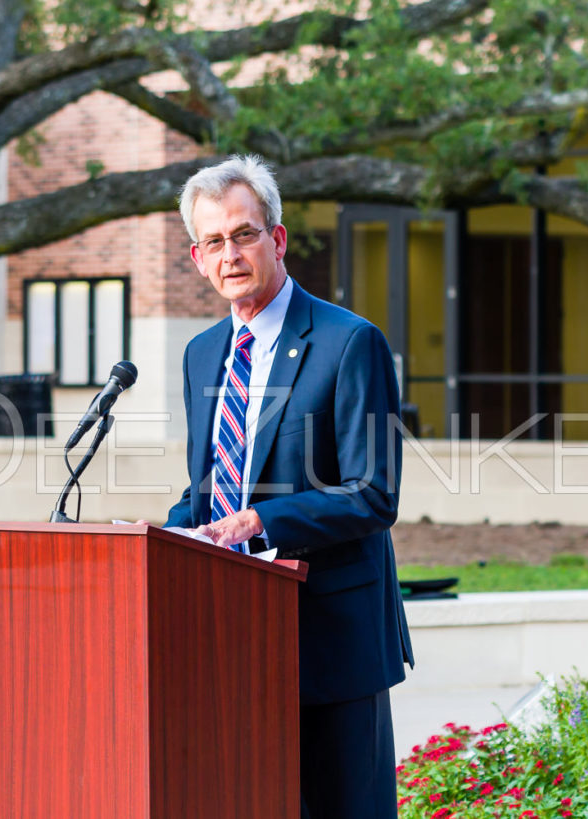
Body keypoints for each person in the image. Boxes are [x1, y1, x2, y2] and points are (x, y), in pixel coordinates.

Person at [165, 155, 414, 818]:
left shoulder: (349, 341)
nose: (231, 253)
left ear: (276, 240)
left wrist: (261, 521)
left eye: (244, 234)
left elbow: (373, 492)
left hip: (331, 639)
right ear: (197, 257)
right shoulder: (201, 354)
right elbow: (209, 487)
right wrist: (157, 535)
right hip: (230, 639)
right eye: (213, 241)